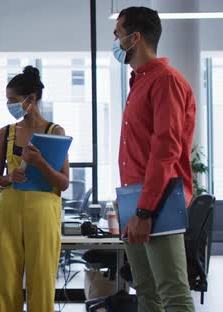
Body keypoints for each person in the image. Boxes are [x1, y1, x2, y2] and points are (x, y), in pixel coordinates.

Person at [114, 7, 195, 311]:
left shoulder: (165, 81)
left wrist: (144, 211)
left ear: (135, 37)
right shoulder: (139, 82)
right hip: (134, 198)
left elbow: (165, 152)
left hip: (158, 201)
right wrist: (128, 205)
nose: (115, 40)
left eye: (118, 33)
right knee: (146, 291)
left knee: (172, 292)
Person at [0, 66, 69, 312]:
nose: (9, 105)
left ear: (31, 99)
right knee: (7, 281)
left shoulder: (55, 132)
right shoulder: (6, 133)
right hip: (9, 212)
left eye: (13, 100)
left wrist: (40, 163)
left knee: (41, 279)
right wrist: (8, 178)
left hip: (43, 213)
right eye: (7, 100)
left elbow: (63, 183)